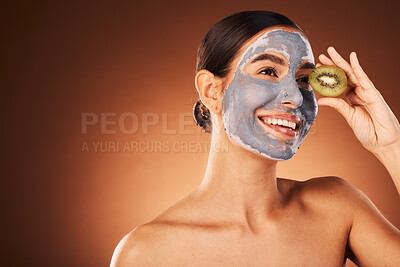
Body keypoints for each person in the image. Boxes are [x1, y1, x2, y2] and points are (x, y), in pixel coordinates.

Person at [110, 11, 400, 266]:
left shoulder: (337, 208)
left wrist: (391, 146)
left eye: (303, 79)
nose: (296, 97)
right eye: (268, 71)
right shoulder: (145, 253)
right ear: (211, 90)